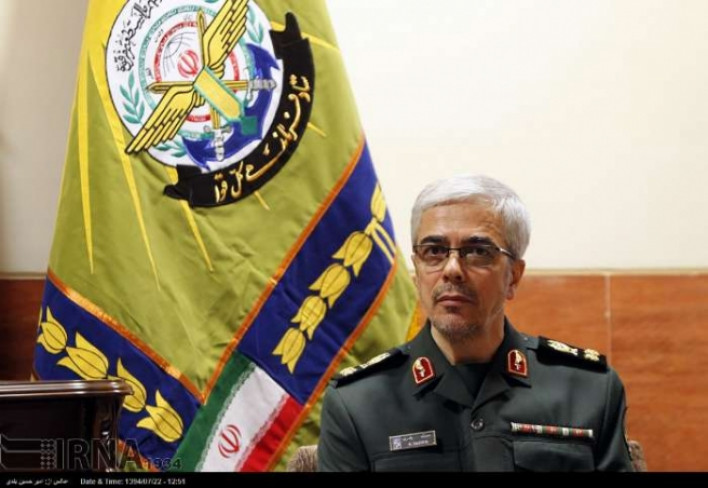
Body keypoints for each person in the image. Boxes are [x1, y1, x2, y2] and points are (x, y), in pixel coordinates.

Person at [317, 174, 633, 472]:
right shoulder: (357, 404)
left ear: (513, 276)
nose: (452, 269)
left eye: (478, 251)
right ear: (416, 271)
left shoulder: (588, 390)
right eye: (434, 251)